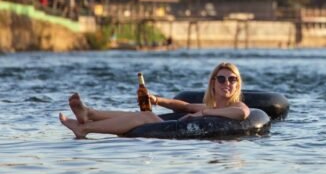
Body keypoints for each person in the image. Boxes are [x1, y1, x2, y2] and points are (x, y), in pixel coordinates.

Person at [59, 62, 250, 139]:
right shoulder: (210, 106)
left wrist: (205, 113)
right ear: (213, 83)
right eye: (222, 78)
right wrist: (156, 99)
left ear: (237, 84)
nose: (227, 83)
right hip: (177, 128)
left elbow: (242, 113)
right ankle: (90, 114)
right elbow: (185, 106)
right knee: (141, 114)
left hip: (178, 137)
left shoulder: (234, 106)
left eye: (233, 79)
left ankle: (84, 128)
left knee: (146, 116)